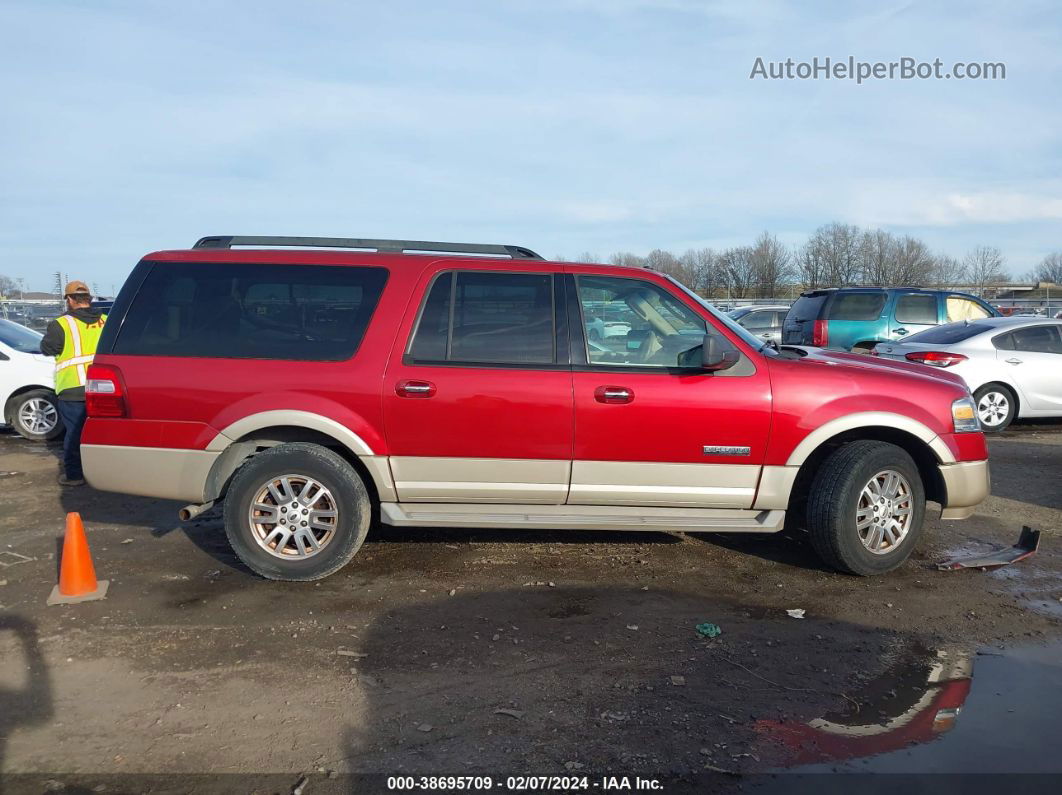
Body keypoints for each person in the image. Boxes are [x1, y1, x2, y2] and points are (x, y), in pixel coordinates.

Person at [40, 281, 107, 486]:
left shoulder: (61, 324)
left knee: (74, 434)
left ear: (69, 300)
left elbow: (47, 348)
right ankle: (104, 474)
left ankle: (75, 475)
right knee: (101, 433)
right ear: (89, 299)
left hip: (73, 389)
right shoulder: (105, 321)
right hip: (103, 387)